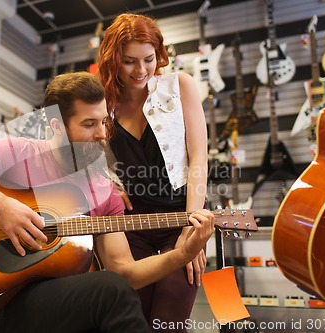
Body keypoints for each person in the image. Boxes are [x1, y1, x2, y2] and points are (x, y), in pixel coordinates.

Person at [0, 71, 214, 333]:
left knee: (112, 287)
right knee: (110, 291)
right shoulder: (17, 153)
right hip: (0, 302)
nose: (102, 135)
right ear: (57, 127)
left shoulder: (102, 190)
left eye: (104, 122)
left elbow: (124, 272)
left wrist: (182, 253)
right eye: (88, 124)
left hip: (54, 303)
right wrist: (0, 205)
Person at [97, 13, 209, 332]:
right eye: (129, 61)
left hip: (181, 216)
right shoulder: (102, 102)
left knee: (170, 318)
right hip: (129, 223)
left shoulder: (180, 85)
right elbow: (83, 157)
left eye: (148, 59)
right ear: (113, 60)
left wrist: (193, 228)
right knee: (132, 315)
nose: (141, 70)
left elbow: (199, 156)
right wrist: (108, 184)